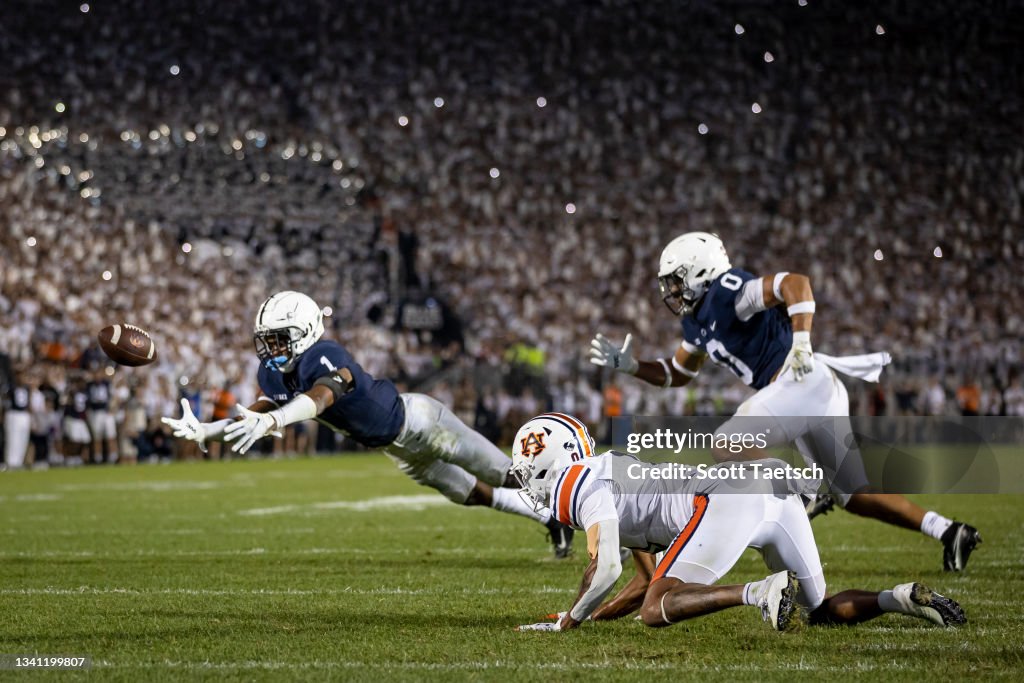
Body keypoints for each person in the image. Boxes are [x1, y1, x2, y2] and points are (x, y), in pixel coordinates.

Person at [589, 232, 981, 571]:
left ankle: (805, 489)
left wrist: (802, 341)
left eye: (676, 280)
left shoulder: (728, 292)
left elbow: (795, 283)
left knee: (727, 443)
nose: (672, 291)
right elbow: (678, 372)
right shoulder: (696, 320)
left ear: (700, 269)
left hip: (801, 380)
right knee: (855, 496)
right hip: (807, 392)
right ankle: (949, 530)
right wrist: (630, 365)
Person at [161, 291, 574, 557]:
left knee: (507, 474)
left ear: (304, 333)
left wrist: (276, 418)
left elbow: (323, 395)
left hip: (422, 424)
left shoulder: (324, 352)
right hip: (399, 450)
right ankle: (549, 518)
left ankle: (593, 505)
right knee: (468, 494)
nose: (270, 348)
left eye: (279, 338)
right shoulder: (273, 374)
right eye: (266, 339)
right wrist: (208, 430)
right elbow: (260, 411)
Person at [509, 413, 967, 633]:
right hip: (764, 486)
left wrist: (570, 620)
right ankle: (899, 598)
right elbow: (641, 574)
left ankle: (759, 591)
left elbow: (606, 568)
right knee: (820, 610)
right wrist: (593, 614)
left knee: (656, 610)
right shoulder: (606, 475)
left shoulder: (575, 489)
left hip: (725, 498)